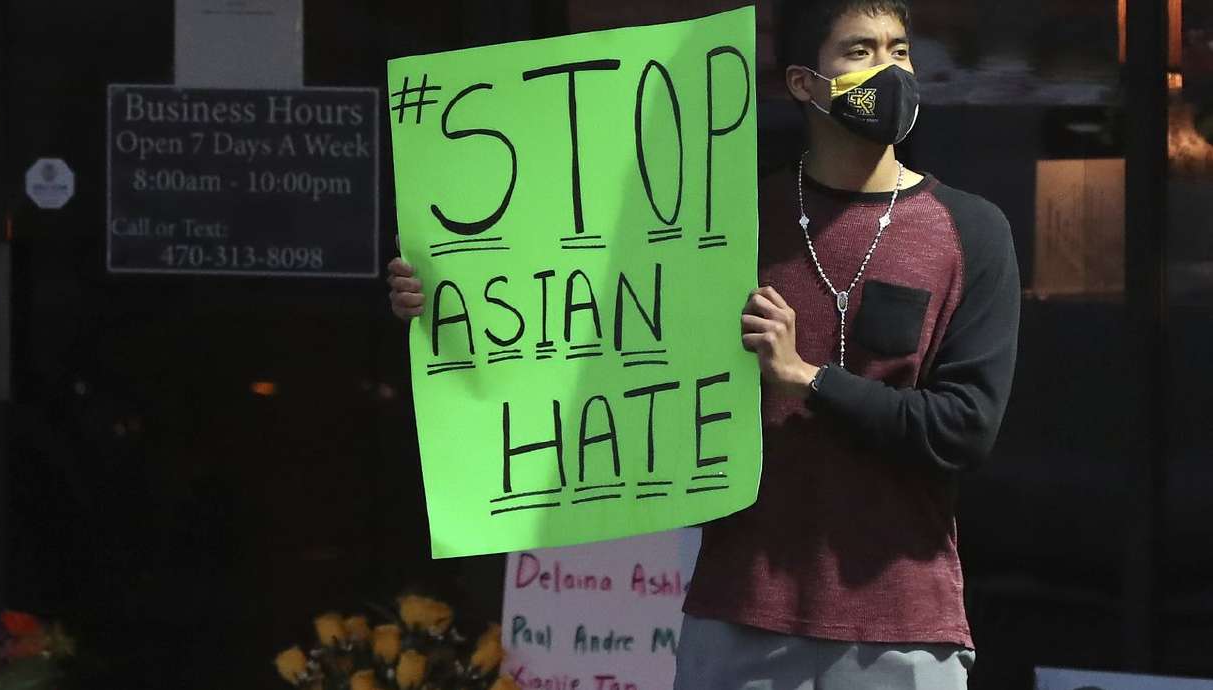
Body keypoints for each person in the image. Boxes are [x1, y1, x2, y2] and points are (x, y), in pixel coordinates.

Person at [389, 0, 1020, 687]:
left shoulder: (971, 232)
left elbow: (964, 429)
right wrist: (450, 302)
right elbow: (584, 338)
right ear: (803, 84)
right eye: (859, 52)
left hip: (902, 631)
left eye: (900, 51)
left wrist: (809, 378)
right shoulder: (724, 222)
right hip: (737, 619)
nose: (890, 71)